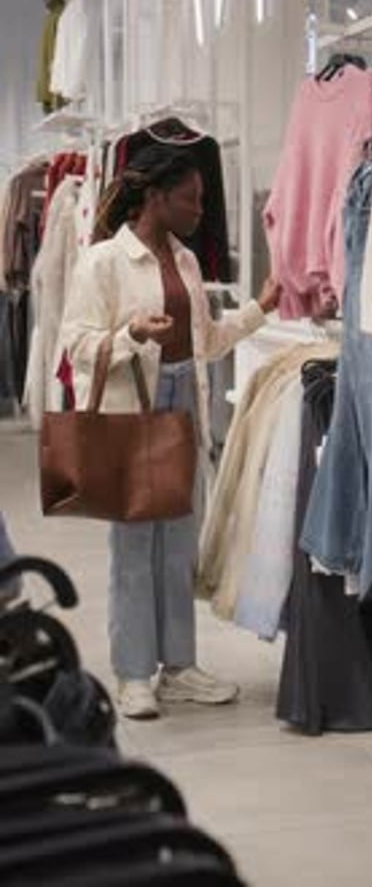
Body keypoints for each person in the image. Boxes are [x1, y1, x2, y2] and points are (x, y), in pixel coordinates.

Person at [60, 144, 281, 719]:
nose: (200, 209)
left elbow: (205, 340)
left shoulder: (184, 261)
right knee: (134, 546)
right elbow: (77, 344)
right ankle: (135, 673)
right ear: (157, 197)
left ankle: (178, 667)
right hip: (132, 405)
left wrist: (259, 309)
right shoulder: (104, 262)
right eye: (192, 198)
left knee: (178, 543)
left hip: (183, 399)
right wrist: (132, 331)